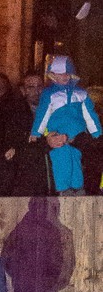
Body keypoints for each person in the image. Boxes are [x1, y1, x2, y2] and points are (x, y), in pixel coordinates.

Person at [29, 53, 102, 193]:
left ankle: (77, 187)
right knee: (60, 158)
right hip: (58, 132)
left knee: (76, 159)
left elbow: (89, 115)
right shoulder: (49, 93)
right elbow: (42, 114)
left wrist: (97, 133)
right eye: (59, 74)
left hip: (77, 133)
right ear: (53, 75)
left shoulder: (81, 93)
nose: (64, 77)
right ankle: (63, 189)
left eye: (67, 74)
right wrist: (36, 133)